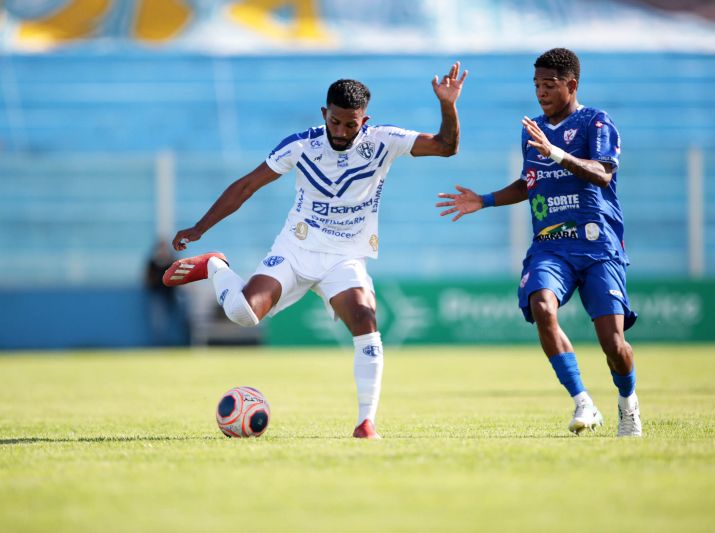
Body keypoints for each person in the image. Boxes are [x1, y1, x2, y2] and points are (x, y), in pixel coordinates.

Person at [163, 63, 468, 438]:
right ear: (325, 113)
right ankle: (215, 265)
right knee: (242, 314)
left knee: (365, 318)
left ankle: (366, 422)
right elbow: (246, 186)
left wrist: (448, 105)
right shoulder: (301, 145)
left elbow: (446, 147)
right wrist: (200, 228)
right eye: (335, 122)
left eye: (350, 125)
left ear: (364, 121)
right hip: (296, 249)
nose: (340, 131)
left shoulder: (384, 141)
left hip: (344, 257)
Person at [436, 48, 641, 437]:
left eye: (549, 85)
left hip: (598, 246)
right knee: (542, 306)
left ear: (572, 85)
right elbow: (530, 182)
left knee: (614, 344)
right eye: (536, 85)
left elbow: (602, 173)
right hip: (550, 245)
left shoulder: (595, 121)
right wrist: (485, 200)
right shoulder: (532, 130)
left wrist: (557, 153)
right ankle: (583, 402)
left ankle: (628, 404)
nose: (541, 92)